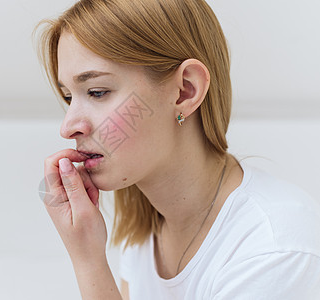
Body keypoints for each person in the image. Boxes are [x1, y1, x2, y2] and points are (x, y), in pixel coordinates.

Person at [34, 0, 320, 299]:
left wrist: (89, 263)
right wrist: (88, 252)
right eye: (69, 97)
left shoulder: (274, 251)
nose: (68, 128)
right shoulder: (145, 231)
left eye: (97, 92)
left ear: (186, 90)